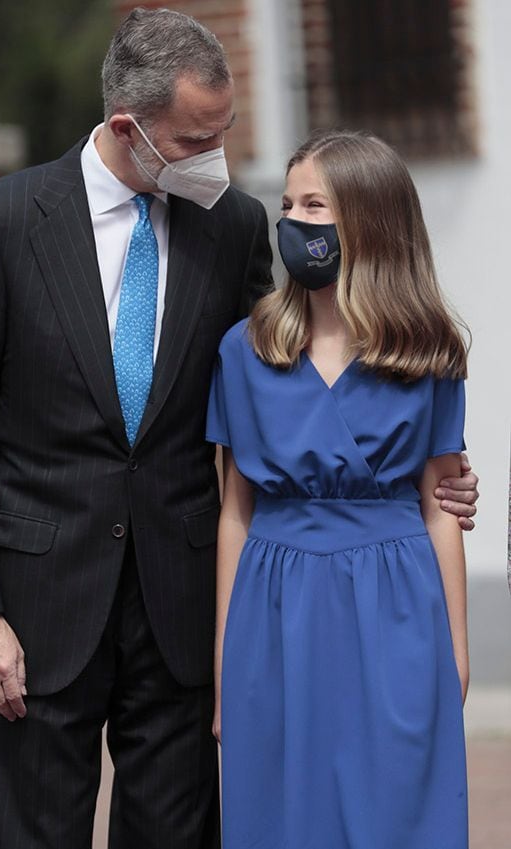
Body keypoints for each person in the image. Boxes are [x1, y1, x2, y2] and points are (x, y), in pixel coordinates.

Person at [0, 9, 476, 849]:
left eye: (224, 129)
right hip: (37, 616)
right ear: (130, 127)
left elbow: (282, 373)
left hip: (184, 611)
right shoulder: (0, 226)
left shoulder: (228, 226)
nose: (217, 156)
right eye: (198, 137)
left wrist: (429, 470)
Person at [207, 130, 472, 849]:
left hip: (395, 601)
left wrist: (455, 649)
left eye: (314, 204)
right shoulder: (245, 348)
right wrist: (224, 662)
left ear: (367, 219)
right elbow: (234, 510)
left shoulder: (428, 353)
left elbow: (441, 507)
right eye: (287, 203)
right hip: (274, 602)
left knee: (399, 812)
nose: (292, 221)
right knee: (282, 814)